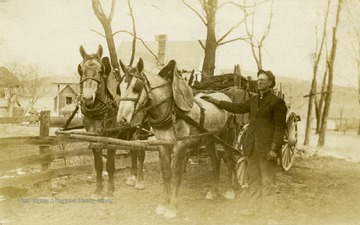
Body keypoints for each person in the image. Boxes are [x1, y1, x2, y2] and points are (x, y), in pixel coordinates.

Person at [201, 69, 287, 217]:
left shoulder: (277, 102)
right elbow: (238, 108)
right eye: (258, 79)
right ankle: (253, 208)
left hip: (267, 149)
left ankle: (270, 215)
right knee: (253, 180)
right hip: (251, 147)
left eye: (262, 80)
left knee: (268, 182)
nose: (259, 82)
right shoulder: (254, 100)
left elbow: (280, 128)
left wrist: (274, 149)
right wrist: (217, 102)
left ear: (270, 83)